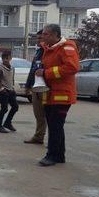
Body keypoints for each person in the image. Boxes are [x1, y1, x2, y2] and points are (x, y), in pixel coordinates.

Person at [35, 24, 80, 167]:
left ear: (55, 35)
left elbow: (72, 67)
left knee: (55, 126)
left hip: (62, 95)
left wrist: (47, 73)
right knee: (55, 125)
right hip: (51, 94)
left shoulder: (67, 47)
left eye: (46, 34)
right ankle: (59, 154)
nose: (43, 37)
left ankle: (52, 155)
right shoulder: (49, 49)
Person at [24, 30, 47, 144]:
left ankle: (45, 137)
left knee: (48, 114)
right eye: (37, 39)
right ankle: (38, 136)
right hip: (35, 86)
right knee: (38, 113)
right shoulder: (38, 52)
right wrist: (28, 85)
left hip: (46, 88)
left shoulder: (50, 52)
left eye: (40, 38)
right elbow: (32, 70)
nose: (38, 41)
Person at [0, 50, 19, 133]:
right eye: (4, 58)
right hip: (4, 91)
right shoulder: (0, 68)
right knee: (4, 108)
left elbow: (12, 78)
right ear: (2, 59)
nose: (5, 60)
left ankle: (7, 122)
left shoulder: (12, 68)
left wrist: (13, 88)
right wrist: (1, 89)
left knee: (15, 107)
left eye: (7, 58)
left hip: (11, 90)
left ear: (10, 58)